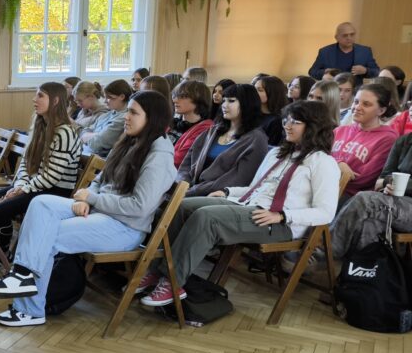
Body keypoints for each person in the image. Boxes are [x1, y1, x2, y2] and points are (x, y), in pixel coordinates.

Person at [0, 91, 176, 326]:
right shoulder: (131, 141)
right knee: (40, 203)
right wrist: (87, 199)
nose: (126, 117)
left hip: (124, 227)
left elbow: (139, 206)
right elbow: (101, 179)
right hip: (100, 211)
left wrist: (92, 198)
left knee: (47, 236)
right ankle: (21, 274)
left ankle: (30, 310)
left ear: (152, 118)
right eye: (128, 111)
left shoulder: (159, 156)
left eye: (133, 113)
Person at [138, 101, 341, 306]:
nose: (287, 126)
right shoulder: (277, 153)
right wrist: (228, 192)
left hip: (280, 223)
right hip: (247, 204)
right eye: (286, 120)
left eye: (295, 122)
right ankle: (156, 271)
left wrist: (282, 216)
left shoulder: (323, 162)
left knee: (206, 217)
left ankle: (172, 282)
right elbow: (255, 188)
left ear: (313, 126)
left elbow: (326, 212)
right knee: (182, 206)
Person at [0, 82, 82, 253]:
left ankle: (1, 255)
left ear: (55, 101)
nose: (34, 99)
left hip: (55, 191)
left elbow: (52, 177)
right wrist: (19, 185)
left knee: (2, 210)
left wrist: (22, 190)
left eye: (40, 96)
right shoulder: (40, 127)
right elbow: (26, 163)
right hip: (34, 186)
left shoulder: (65, 133)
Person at [176, 84, 269, 197]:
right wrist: (182, 184)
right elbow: (187, 163)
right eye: (224, 101)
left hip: (217, 195)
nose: (224, 105)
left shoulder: (256, 139)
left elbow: (238, 179)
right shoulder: (213, 131)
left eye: (231, 101)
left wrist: (192, 191)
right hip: (190, 189)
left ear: (247, 104)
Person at [331, 133, 412, 260]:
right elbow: (379, 182)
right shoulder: (404, 141)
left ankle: (323, 252)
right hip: (393, 202)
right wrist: (388, 184)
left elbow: (385, 180)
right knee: (369, 223)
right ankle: (362, 269)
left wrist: (401, 184)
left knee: (365, 200)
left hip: (405, 206)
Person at [332, 81, 399, 199]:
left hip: (351, 197)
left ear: (381, 111)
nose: (357, 107)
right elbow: (317, 158)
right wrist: (338, 163)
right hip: (321, 185)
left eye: (366, 104)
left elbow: (362, 179)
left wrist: (331, 167)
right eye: (356, 102)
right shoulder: (339, 130)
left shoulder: (387, 139)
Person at [309, 22, 380, 82]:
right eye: (345, 35)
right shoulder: (325, 52)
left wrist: (365, 71)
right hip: (332, 89)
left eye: (352, 34)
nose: (349, 38)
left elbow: (377, 72)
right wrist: (325, 72)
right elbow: (312, 72)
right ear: (336, 37)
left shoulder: (365, 51)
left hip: (354, 91)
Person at [81, 79, 132, 157]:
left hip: (99, 160)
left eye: (109, 97)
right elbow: (84, 131)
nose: (105, 101)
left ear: (122, 97)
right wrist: (97, 135)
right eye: (105, 97)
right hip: (87, 154)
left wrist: (89, 136)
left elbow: (96, 145)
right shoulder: (106, 115)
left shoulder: (123, 119)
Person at [169, 79, 215, 166]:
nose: (175, 100)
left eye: (183, 97)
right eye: (175, 96)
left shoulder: (204, 129)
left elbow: (179, 160)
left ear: (199, 100)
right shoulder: (173, 122)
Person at [254, 75, 288, 145]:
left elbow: (270, 146)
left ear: (272, 93)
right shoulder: (252, 113)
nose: (254, 93)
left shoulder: (276, 121)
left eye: (260, 90)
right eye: (254, 89)